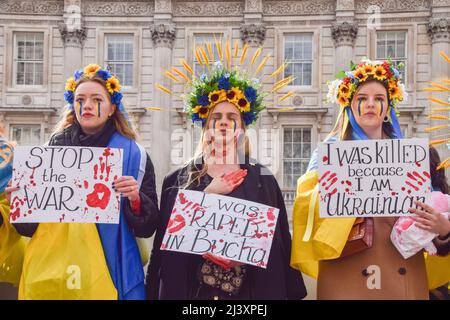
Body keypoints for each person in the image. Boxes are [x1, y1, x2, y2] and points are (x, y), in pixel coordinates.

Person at [146, 43, 307, 300]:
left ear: (241, 127)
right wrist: (206, 195)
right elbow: (164, 251)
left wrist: (244, 255)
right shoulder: (176, 180)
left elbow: (278, 244)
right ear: (206, 126)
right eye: (216, 117)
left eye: (232, 117)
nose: (223, 122)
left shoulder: (262, 178)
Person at [291, 58, 449, 299]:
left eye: (379, 99)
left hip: (401, 273)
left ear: (388, 107)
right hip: (345, 272)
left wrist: (443, 229)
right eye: (362, 98)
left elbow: (429, 210)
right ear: (350, 105)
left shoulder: (412, 155)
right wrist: (333, 193)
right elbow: (304, 210)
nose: (370, 105)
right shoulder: (329, 152)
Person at [5, 64, 159, 299]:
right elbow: (28, 230)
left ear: (111, 108)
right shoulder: (47, 154)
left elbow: (147, 228)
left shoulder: (135, 156)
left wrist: (136, 200)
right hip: (58, 273)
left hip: (114, 271)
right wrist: (20, 206)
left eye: (96, 99)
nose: (86, 105)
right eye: (80, 99)